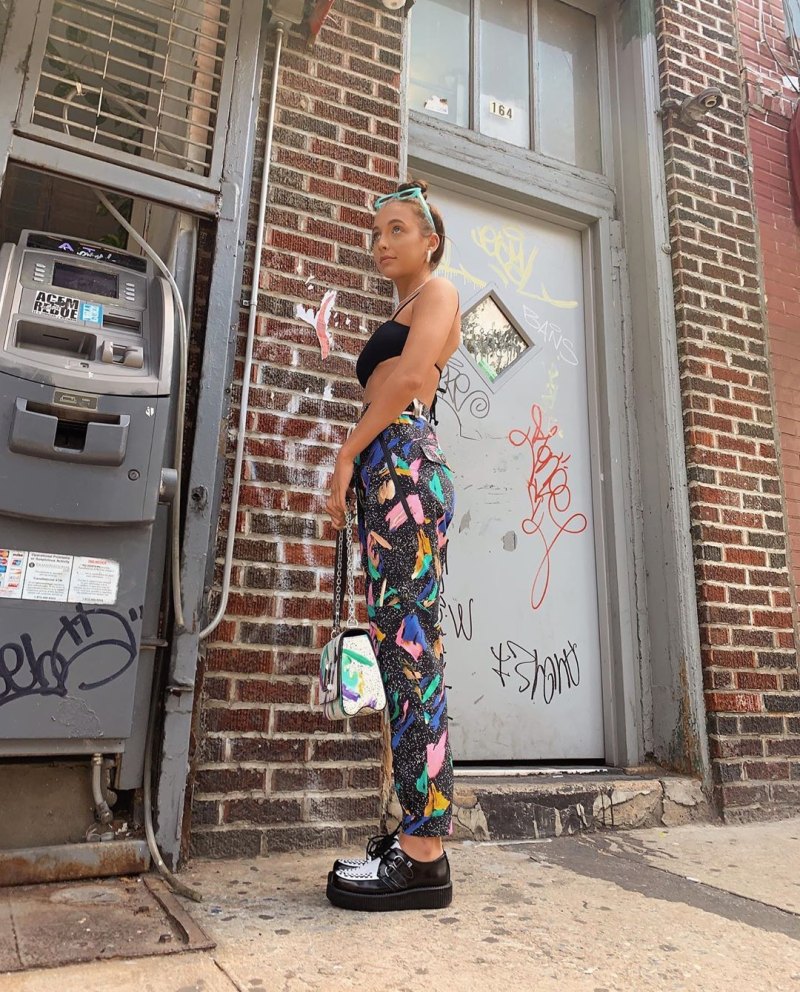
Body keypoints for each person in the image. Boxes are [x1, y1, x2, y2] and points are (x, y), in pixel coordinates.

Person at [324, 179, 461, 912]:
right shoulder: (401, 306)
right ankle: (412, 835)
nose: (381, 243)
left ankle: (424, 856)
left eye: (397, 229)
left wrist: (347, 455)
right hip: (388, 475)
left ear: (429, 240)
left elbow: (409, 380)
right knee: (396, 655)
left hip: (404, 467)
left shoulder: (439, 293)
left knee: (412, 660)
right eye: (376, 232)